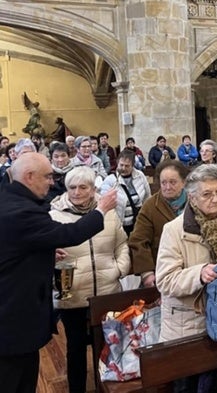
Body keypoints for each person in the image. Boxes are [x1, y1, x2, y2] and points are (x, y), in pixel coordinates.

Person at [0, 152, 117, 393]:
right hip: (13, 318)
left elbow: (15, 247)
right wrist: (102, 209)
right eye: (47, 176)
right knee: (15, 379)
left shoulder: (10, 201)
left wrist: (44, 252)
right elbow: (69, 235)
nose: (52, 182)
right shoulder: (23, 211)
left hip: (16, 315)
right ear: (29, 176)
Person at [156, 164, 217, 392]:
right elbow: (165, 280)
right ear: (192, 197)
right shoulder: (174, 230)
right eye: (207, 194)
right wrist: (199, 274)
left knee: (216, 384)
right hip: (186, 323)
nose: (215, 199)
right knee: (187, 387)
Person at [49, 166, 130, 393]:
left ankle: (108, 386)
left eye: (82, 187)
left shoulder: (108, 213)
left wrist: (120, 268)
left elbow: (122, 243)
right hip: (73, 293)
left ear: (93, 189)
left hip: (107, 290)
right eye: (72, 187)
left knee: (107, 344)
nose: (76, 192)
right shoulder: (55, 215)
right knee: (75, 348)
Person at [129, 160, 189, 287]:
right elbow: (138, 241)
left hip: (191, 271)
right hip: (161, 272)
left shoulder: (195, 203)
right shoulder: (150, 206)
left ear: (183, 182)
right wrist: (147, 273)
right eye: (164, 183)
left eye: (173, 182)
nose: (167, 187)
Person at [100, 150, 151, 236]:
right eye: (121, 165)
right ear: (117, 163)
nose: (123, 168)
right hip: (120, 224)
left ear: (133, 165)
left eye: (127, 166)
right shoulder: (111, 180)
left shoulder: (140, 176)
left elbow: (147, 196)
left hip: (138, 223)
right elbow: (103, 202)